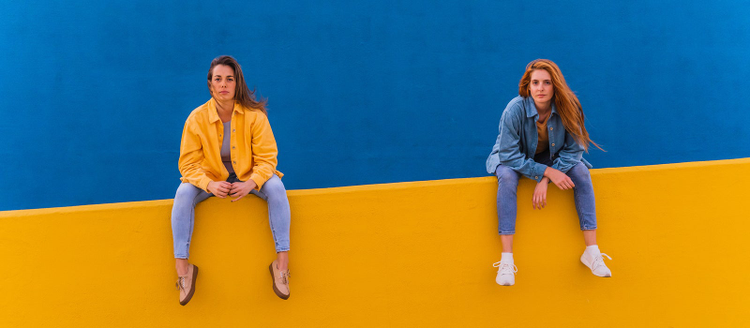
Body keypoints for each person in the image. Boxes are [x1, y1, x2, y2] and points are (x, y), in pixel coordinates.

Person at [171, 55, 292, 304]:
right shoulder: (196, 119)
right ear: (210, 84)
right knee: (183, 193)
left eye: (229, 79)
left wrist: (252, 182)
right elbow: (188, 164)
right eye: (218, 79)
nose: (224, 84)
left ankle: (281, 266)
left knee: (277, 187)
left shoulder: (254, 115)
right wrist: (209, 184)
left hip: (248, 174)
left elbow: (268, 159)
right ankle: (183, 270)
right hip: (212, 177)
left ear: (237, 84)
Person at [486, 59, 611, 286]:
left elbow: (574, 151)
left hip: (550, 160)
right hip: (512, 158)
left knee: (581, 172)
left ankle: (592, 251)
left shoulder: (568, 107)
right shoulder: (515, 109)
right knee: (506, 176)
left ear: (556, 86)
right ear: (528, 86)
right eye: (535, 83)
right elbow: (509, 155)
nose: (540, 88)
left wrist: (546, 177)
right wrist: (548, 173)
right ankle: (506, 260)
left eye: (546, 83)